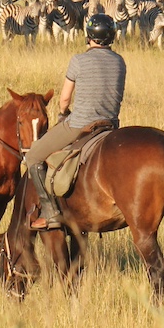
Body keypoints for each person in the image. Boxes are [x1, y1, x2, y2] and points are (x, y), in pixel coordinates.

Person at [24, 14, 124, 230]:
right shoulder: (119, 61)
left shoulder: (79, 60)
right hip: (110, 125)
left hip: (80, 124)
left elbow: (64, 99)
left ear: (89, 36)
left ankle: (50, 211)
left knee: (32, 156)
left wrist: (63, 113)